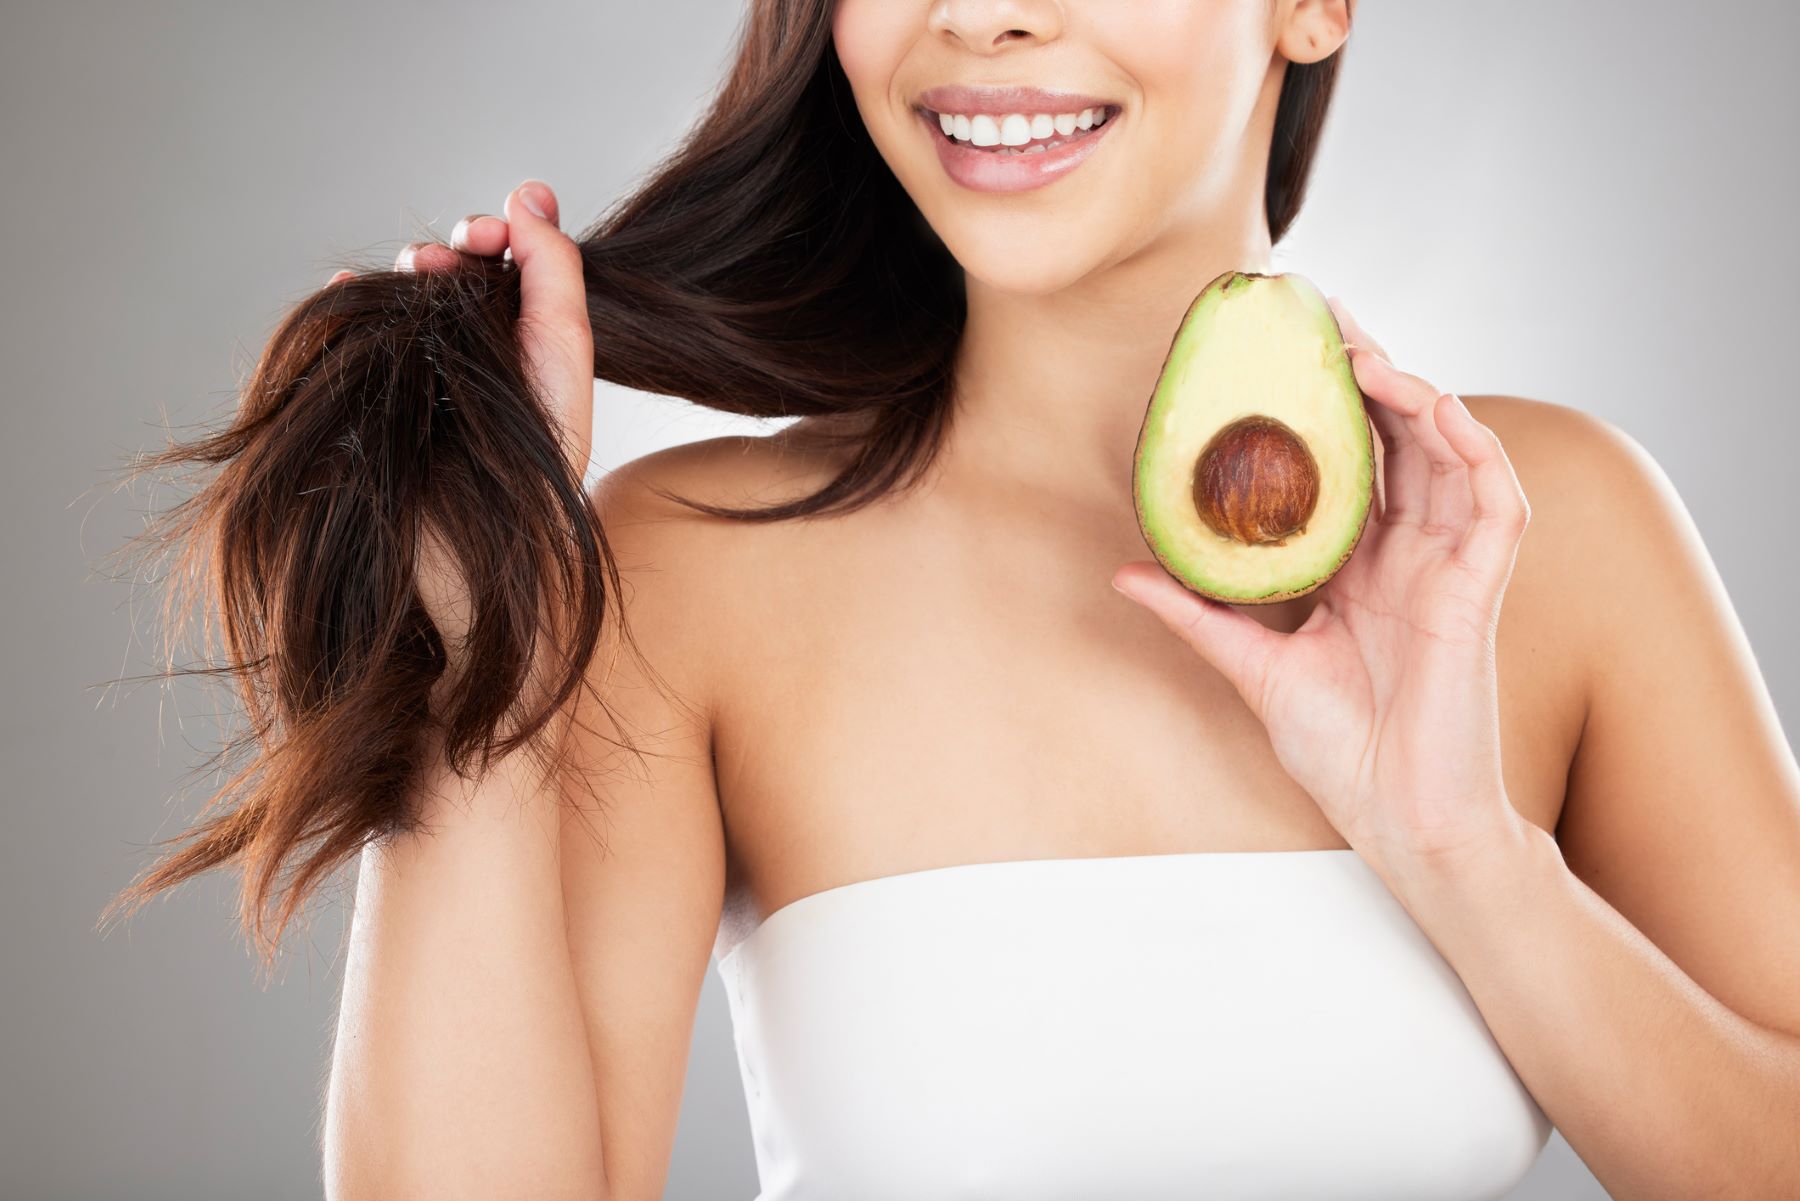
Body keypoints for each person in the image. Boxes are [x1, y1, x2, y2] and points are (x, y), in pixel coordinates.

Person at [105, 2, 1800, 1198]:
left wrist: (1461, 853)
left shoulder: (1538, 531)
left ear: (1312, 4)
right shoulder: (692, 565)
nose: (983, 15)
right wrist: (474, 637)